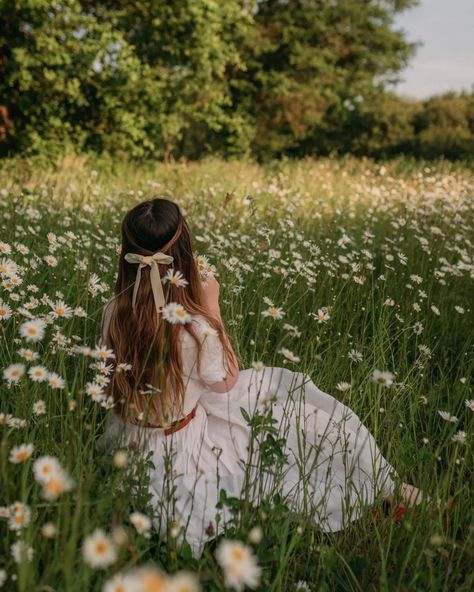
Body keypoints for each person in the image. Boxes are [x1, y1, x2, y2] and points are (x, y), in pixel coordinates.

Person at [98, 197, 424, 557]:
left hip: (128, 440)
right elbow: (227, 384)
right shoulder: (194, 330)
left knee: (271, 398)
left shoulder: (114, 312)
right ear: (185, 253)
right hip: (182, 451)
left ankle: (379, 480)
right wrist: (211, 308)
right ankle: (379, 482)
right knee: (285, 407)